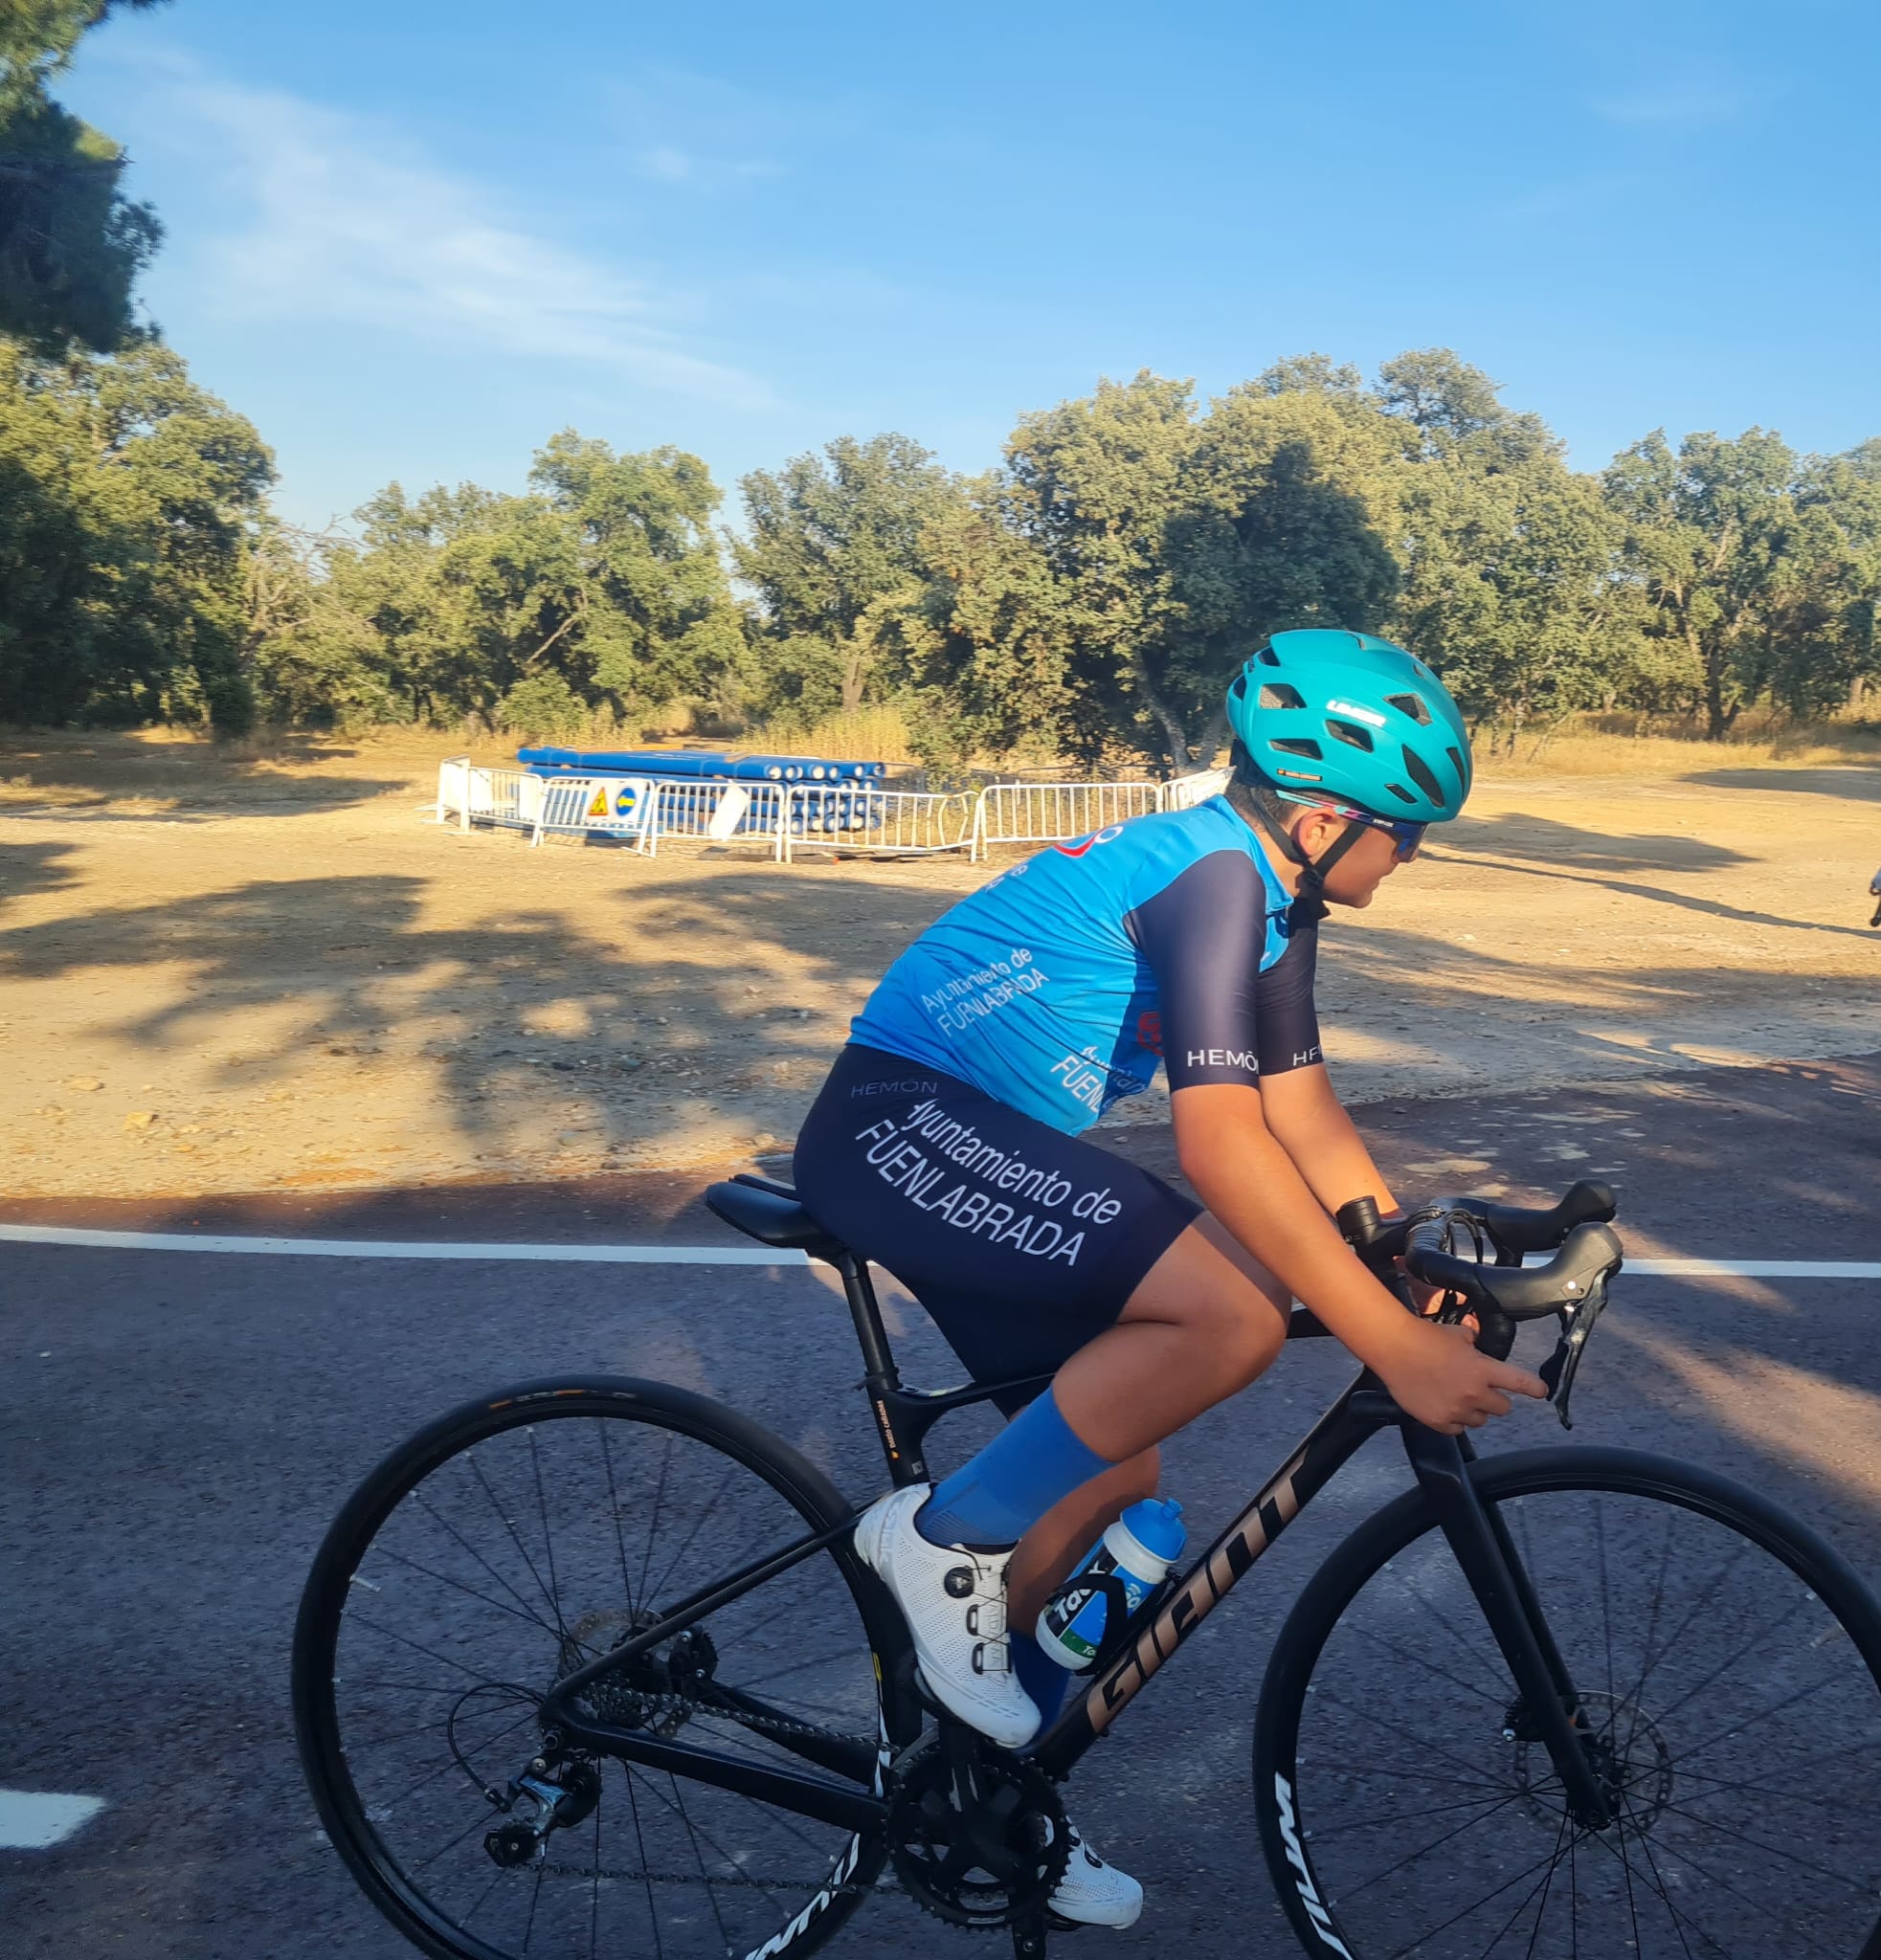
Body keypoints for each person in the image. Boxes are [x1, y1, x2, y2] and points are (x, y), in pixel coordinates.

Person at [790, 629, 1547, 1929]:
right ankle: (933, 1544)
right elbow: (1221, 1139)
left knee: (1118, 1486)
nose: (1411, 855)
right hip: (894, 1122)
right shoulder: (1214, 879)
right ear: (1318, 819)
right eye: (1403, 829)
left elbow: (1298, 1104)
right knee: (1228, 1311)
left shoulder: (1274, 895)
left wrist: (1390, 1248)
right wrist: (1391, 1343)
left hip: (965, 1137)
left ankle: (982, 1789)